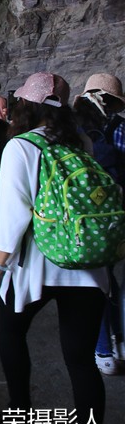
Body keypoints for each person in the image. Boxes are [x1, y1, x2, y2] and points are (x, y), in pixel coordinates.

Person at [0, 72, 109, 424]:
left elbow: (15, 215)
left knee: (12, 333)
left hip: (36, 266)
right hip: (86, 264)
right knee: (81, 359)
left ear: (25, 105)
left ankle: (20, 416)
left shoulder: (21, 147)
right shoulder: (82, 142)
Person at [73, 72, 125, 376]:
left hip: (86, 217)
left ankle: (104, 350)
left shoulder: (74, 128)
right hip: (116, 212)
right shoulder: (118, 129)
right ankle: (117, 346)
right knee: (112, 282)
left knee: (96, 285)